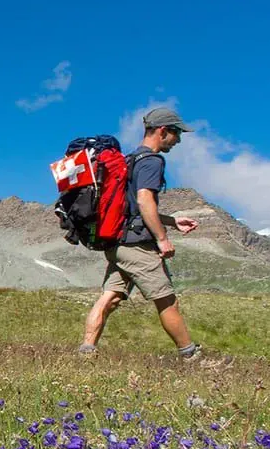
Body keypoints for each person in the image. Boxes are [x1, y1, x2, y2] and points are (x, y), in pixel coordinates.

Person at [79, 107, 202, 358]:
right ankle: (191, 355)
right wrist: (162, 239)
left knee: (110, 298)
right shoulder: (152, 161)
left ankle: (87, 350)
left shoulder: (127, 161)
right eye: (176, 133)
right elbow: (145, 201)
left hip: (117, 242)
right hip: (137, 246)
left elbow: (131, 207)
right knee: (167, 300)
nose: (178, 140)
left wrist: (172, 221)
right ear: (162, 131)